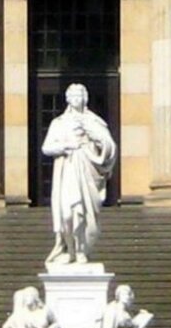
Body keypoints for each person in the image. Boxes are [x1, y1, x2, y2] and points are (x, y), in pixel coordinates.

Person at [41, 82, 116, 265]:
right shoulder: (58, 123)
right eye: (73, 96)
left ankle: (82, 250)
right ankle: (70, 250)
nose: (76, 99)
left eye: (80, 96)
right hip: (67, 170)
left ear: (85, 98)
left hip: (87, 170)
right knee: (67, 214)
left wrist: (94, 136)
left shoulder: (94, 121)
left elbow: (110, 147)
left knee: (85, 214)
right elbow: (46, 148)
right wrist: (65, 146)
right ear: (67, 99)